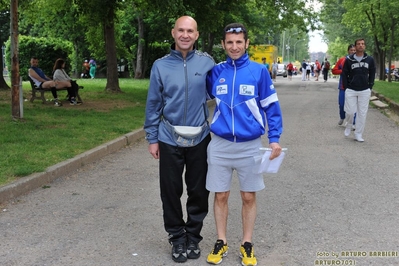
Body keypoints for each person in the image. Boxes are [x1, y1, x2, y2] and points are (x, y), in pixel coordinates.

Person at [205, 22, 283, 266]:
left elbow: (272, 107)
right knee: (221, 195)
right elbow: (200, 96)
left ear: (247, 43)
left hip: (250, 145)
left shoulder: (259, 72)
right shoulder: (215, 72)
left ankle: (247, 243)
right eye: (230, 42)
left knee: (248, 196)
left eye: (239, 42)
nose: (234, 46)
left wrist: (274, 139)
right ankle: (221, 240)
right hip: (220, 144)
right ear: (223, 44)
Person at [143, 16, 215, 263]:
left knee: (199, 191)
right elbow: (153, 104)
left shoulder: (207, 63)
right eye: (181, 30)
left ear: (196, 35)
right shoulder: (160, 66)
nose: (185, 35)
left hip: (200, 137)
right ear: (173, 33)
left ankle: (193, 237)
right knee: (171, 192)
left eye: (190, 31)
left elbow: (221, 94)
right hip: (168, 137)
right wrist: (152, 138)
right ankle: (176, 237)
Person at [342, 38, 376, 142]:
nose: (361, 45)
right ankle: (349, 125)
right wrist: (346, 86)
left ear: (364, 46)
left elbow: (372, 73)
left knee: (362, 113)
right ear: (355, 46)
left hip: (364, 89)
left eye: (362, 44)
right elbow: (344, 73)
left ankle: (358, 134)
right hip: (351, 89)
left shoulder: (369, 59)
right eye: (358, 44)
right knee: (350, 111)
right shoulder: (349, 60)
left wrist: (370, 85)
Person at [332, 44, 356, 126]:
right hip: (343, 86)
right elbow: (334, 70)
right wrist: (343, 71)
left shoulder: (359, 60)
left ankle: (353, 122)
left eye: (354, 50)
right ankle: (342, 117)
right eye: (351, 50)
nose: (353, 52)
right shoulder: (342, 60)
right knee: (342, 104)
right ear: (348, 51)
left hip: (354, 86)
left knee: (353, 105)